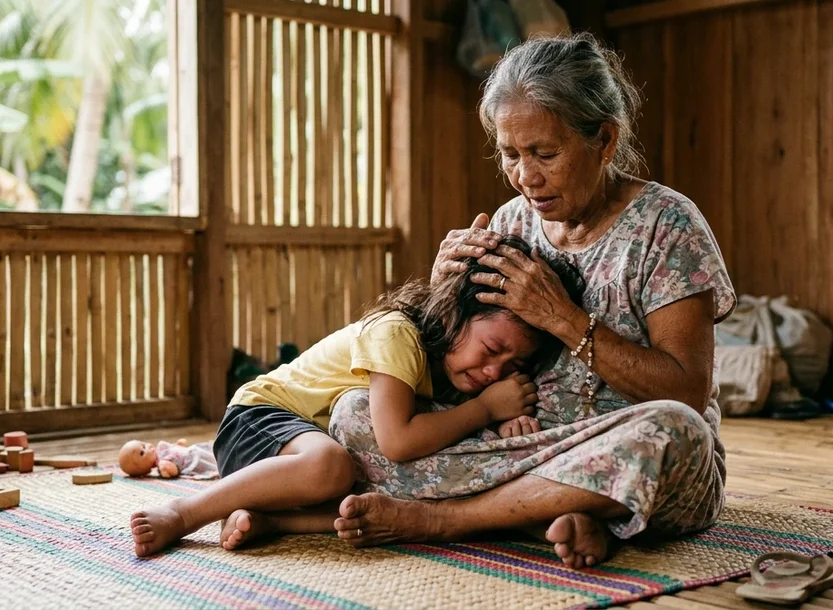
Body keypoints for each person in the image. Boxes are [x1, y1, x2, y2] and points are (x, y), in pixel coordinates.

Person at [326, 32, 737, 570]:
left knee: (675, 432)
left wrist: (565, 320)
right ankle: (562, 512)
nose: (526, 177)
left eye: (545, 153)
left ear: (605, 141)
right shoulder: (511, 222)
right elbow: (462, 364)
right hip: (507, 448)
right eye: (510, 154)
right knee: (356, 414)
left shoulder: (668, 226)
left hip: (624, 448)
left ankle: (444, 518)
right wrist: (441, 293)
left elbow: (687, 391)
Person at [129, 237, 587, 557]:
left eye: (511, 368)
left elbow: (444, 423)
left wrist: (506, 419)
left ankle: (272, 519)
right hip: (260, 420)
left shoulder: (457, 368)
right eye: (491, 350)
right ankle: (183, 513)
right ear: (456, 312)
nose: (494, 372)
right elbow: (398, 441)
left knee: (374, 504)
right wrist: (487, 409)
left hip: (308, 461)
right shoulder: (398, 333)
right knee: (330, 467)